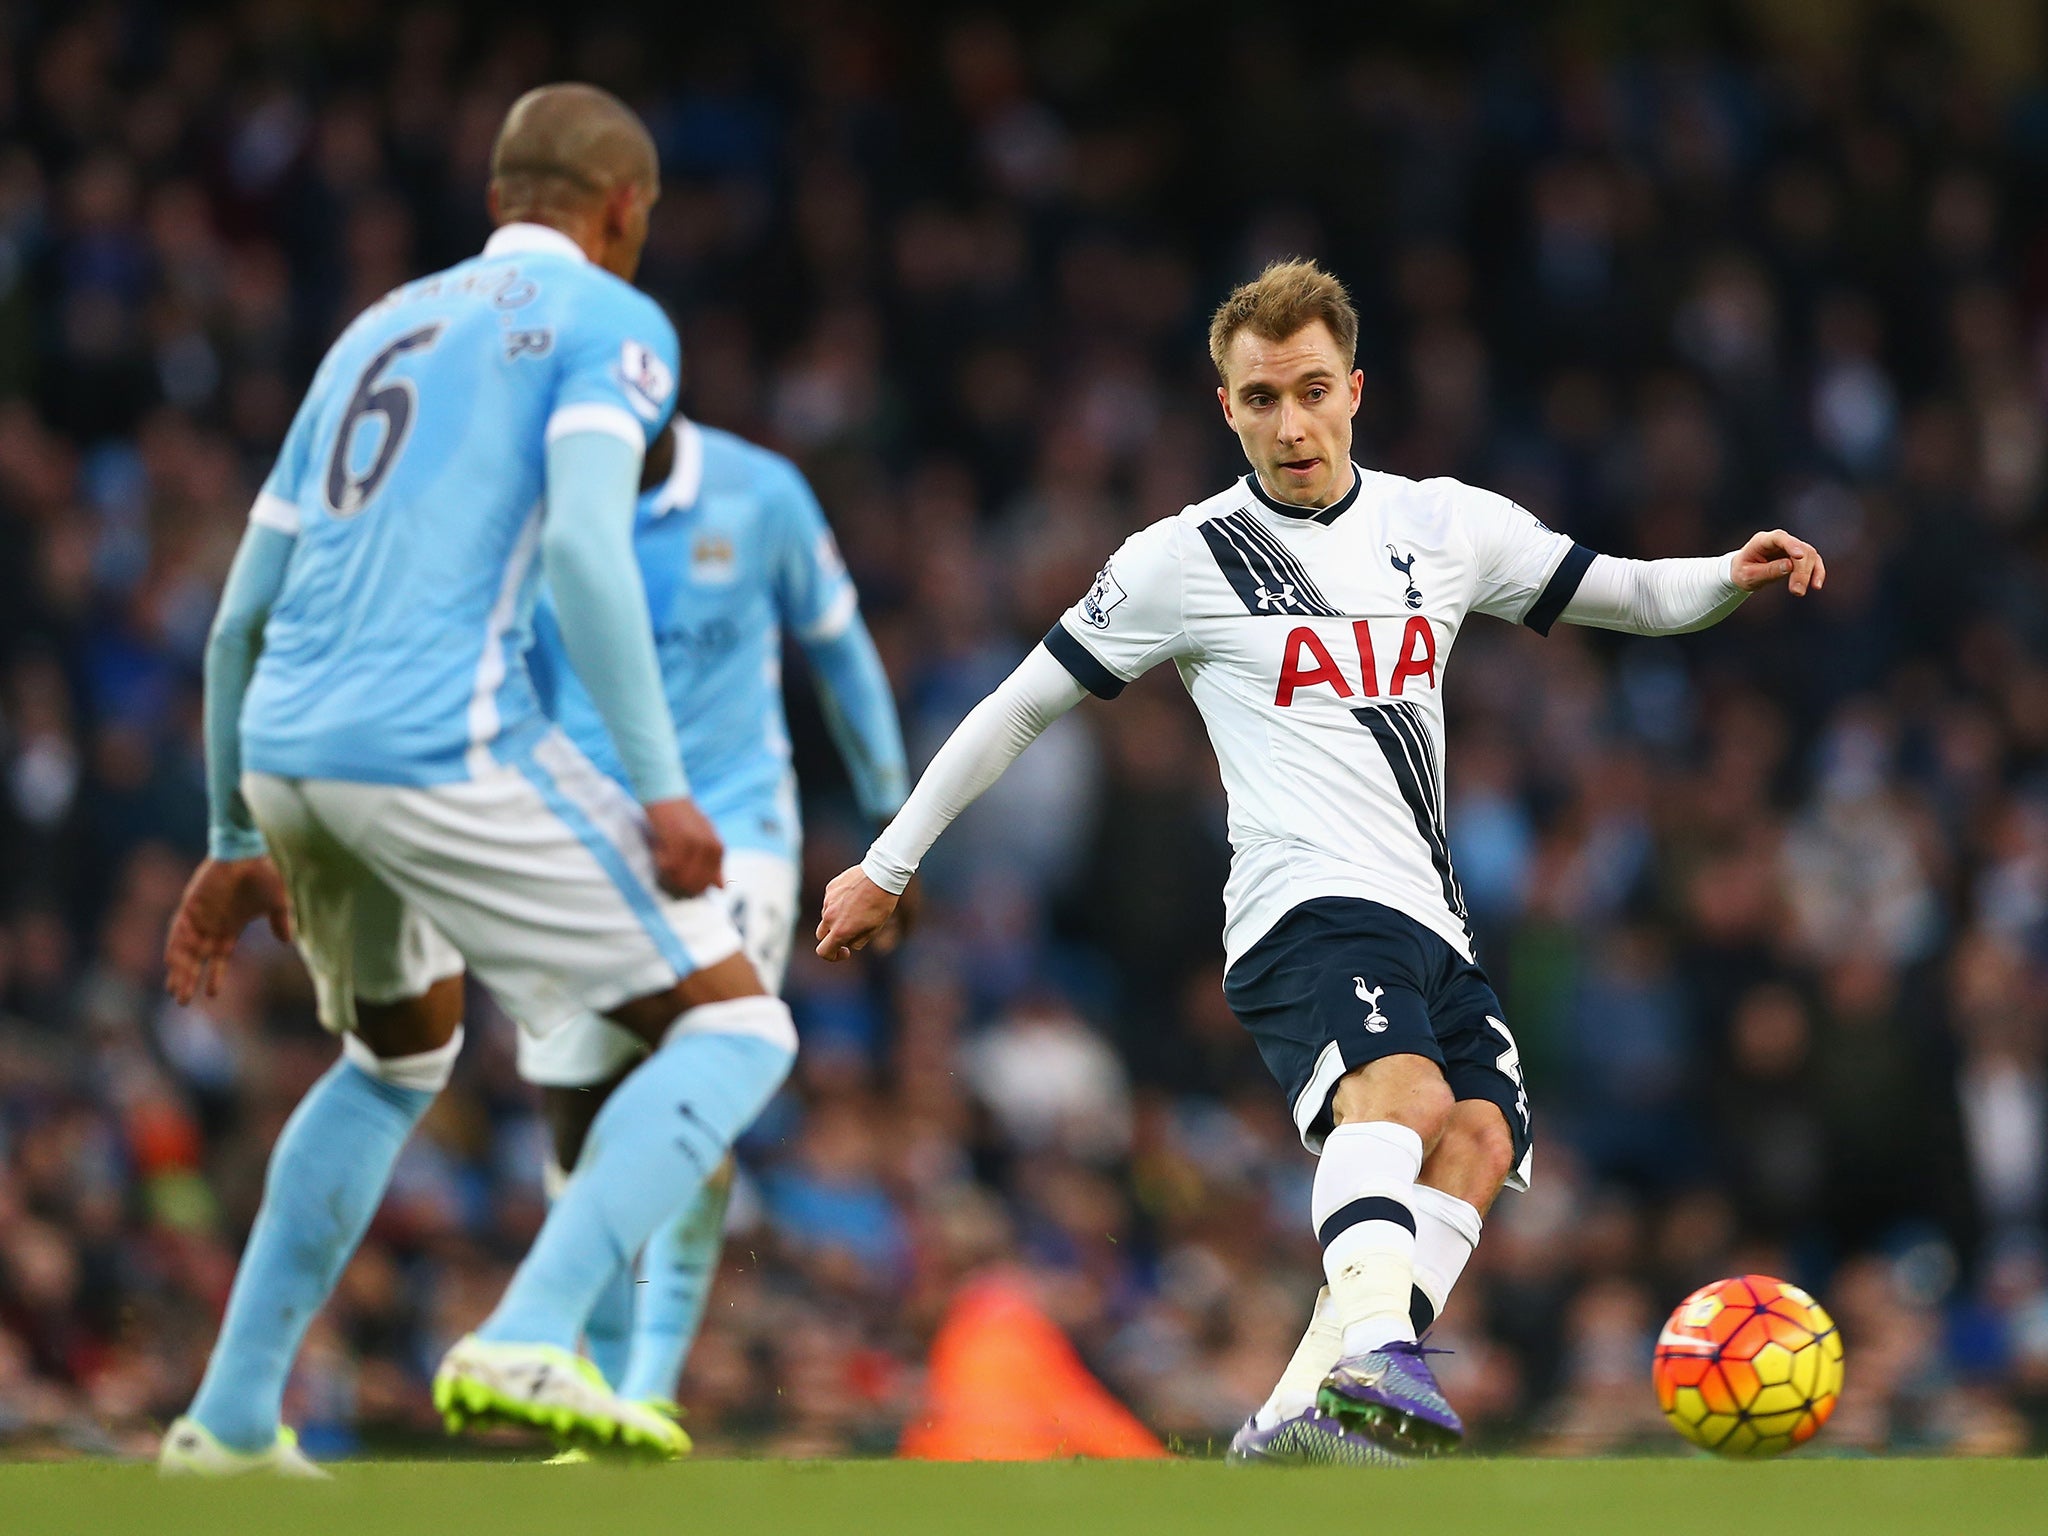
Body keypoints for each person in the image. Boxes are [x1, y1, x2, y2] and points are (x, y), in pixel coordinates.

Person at [813, 259, 1826, 1465]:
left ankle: (1294, 1414)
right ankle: (1373, 1359)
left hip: (1431, 920)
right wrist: (887, 863)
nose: (1286, 424)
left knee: (1478, 1140)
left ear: (1355, 390)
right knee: (1396, 1099)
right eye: (1256, 399)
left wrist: (1728, 575)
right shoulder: (1182, 560)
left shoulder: (1443, 523)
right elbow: (1014, 707)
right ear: (1224, 408)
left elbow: (1628, 596)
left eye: (1307, 391)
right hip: (1301, 906)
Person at [157, 83, 794, 1474]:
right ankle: (530, 1330)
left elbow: (237, 620)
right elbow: (581, 548)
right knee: (743, 1032)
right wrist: (665, 788)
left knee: (394, 1057)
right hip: (443, 742)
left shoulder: (369, 333)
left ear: (501, 194)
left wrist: (226, 829)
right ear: (624, 209)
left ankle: (227, 1423)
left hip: (284, 749)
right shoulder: (615, 325)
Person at [521, 408, 907, 1409]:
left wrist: (889, 836)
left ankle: (645, 1387)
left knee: (693, 1085)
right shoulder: (533, 499)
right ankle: (594, 1387)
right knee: (581, 1128)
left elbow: (842, 651)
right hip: (583, 846)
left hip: (735, 837)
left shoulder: (760, 494)